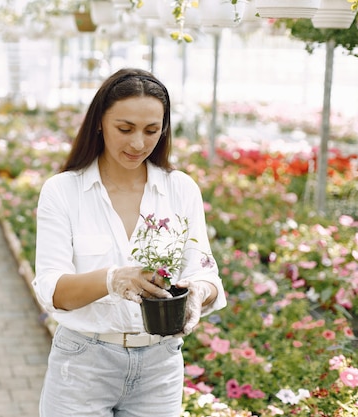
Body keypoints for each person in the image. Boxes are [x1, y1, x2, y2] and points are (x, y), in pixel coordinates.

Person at [31, 68, 227, 417]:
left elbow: (205, 273)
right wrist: (113, 279)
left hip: (160, 367)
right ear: (99, 123)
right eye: (125, 129)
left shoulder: (179, 189)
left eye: (151, 131)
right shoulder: (64, 191)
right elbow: (52, 290)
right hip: (83, 365)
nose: (138, 143)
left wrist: (197, 292)